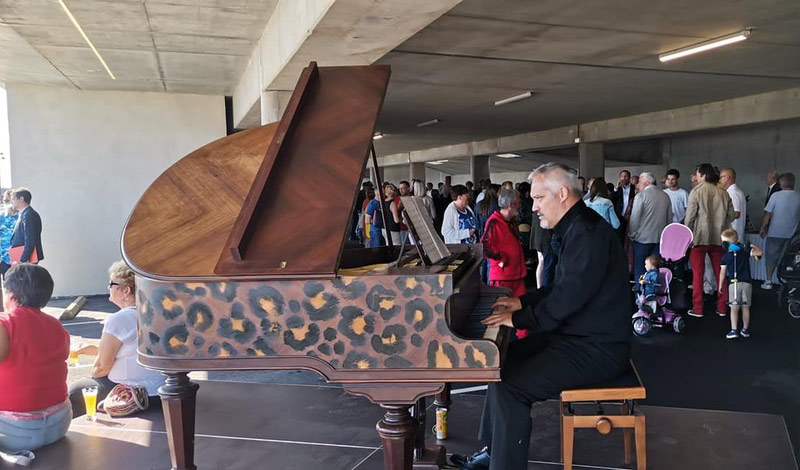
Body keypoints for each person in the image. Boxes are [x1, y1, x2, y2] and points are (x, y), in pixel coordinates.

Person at [451, 163, 630, 470]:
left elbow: (566, 299)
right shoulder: (577, 227)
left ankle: (502, 463)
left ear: (562, 194)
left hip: (598, 348)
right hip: (578, 337)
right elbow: (558, 288)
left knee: (511, 386)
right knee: (499, 363)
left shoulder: (586, 233)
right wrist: (520, 303)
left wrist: (518, 319)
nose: (532, 208)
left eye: (538, 199)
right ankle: (493, 453)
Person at [68, 261, 164, 417]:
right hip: (160, 391)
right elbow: (133, 351)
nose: (108, 288)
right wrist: (93, 350)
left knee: (76, 391)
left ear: (126, 290)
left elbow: (101, 368)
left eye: (111, 283)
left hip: (132, 393)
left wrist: (97, 364)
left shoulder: (120, 319)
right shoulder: (156, 313)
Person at [0, 264, 71, 452]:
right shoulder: (57, 326)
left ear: (11, 295)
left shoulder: (5, 324)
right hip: (60, 424)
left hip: (15, 431)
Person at [684, 163, 734, 317]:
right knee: (721, 273)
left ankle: (698, 309)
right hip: (719, 238)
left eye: (698, 175)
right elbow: (731, 216)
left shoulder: (696, 192)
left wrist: (687, 234)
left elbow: (690, 218)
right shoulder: (724, 193)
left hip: (699, 239)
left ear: (704, 176)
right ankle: (722, 308)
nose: (696, 178)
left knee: (698, 274)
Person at [481, 188, 527, 304]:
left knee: (520, 308)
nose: (520, 206)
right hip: (503, 278)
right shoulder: (494, 222)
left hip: (516, 275)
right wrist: (501, 258)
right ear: (511, 205)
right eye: (518, 203)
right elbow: (484, 246)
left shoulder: (511, 221)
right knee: (501, 312)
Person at [628, 173, 672, 281]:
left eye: (640, 182)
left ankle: (640, 294)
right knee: (656, 268)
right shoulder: (665, 196)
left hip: (642, 239)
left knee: (640, 268)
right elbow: (669, 219)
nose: (638, 185)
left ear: (647, 182)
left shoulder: (641, 196)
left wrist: (632, 234)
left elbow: (634, 218)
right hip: (659, 239)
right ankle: (655, 293)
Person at [760, 173, 800, 289]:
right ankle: (787, 280)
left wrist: (763, 227)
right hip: (792, 234)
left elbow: (768, 214)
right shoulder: (798, 196)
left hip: (775, 232)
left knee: (771, 257)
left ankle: (768, 281)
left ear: (781, 183)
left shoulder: (776, 196)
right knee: (790, 258)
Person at [719, 229, 762, 339]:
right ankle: (745, 330)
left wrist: (720, 285)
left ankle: (734, 330)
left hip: (734, 284)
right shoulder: (745, 252)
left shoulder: (725, 257)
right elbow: (759, 252)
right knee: (745, 307)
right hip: (747, 283)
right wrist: (749, 245)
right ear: (737, 241)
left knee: (734, 308)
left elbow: (722, 273)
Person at [9, 188, 43, 264]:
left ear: (21, 199)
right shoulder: (23, 214)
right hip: (20, 256)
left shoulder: (29, 214)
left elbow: (30, 239)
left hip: (26, 258)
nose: (11, 202)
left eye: (13, 199)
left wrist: (23, 259)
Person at [720, 168, 747, 243]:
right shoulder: (736, 191)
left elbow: (736, 213)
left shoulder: (733, 192)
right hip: (734, 234)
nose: (719, 180)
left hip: (732, 236)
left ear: (727, 177)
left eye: (721, 177)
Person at [0, 190, 19, 275]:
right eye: (6, 201)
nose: (9, 204)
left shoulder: (21, 216)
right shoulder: (1, 216)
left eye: (10, 201)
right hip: (2, 256)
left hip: (16, 256)